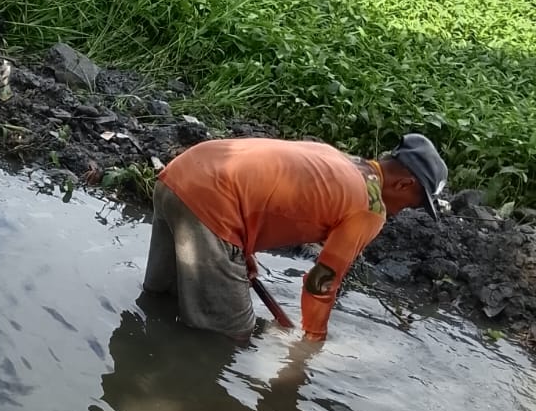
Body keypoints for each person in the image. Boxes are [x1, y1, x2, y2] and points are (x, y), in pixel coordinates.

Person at [143, 133, 448, 342]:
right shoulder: (370, 208)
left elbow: (261, 188)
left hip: (180, 175)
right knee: (232, 334)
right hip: (211, 205)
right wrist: (313, 341)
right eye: (411, 205)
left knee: (163, 297)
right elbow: (321, 283)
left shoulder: (341, 160)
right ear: (404, 184)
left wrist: (242, 252)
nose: (401, 212)